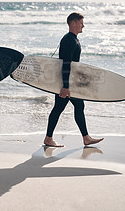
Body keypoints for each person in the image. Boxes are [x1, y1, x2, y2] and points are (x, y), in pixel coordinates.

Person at [44, 13, 104, 147]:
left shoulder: (73, 39)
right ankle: (85, 137)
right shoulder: (69, 40)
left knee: (61, 108)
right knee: (74, 106)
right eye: (81, 22)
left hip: (69, 81)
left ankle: (50, 138)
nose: (83, 25)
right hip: (67, 82)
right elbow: (66, 64)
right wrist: (65, 86)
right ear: (73, 23)